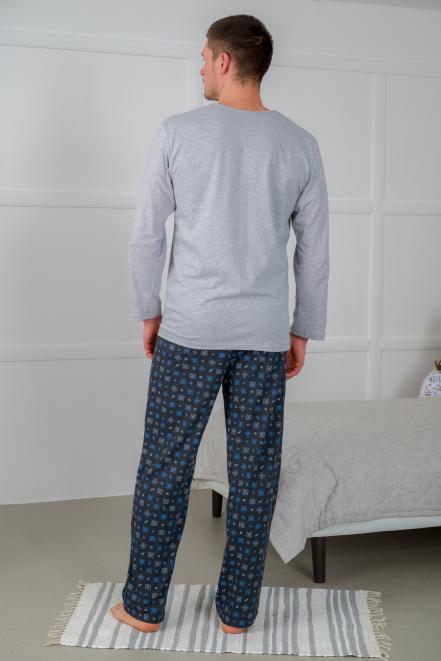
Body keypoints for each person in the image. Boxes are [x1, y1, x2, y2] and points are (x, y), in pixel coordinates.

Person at [111, 13, 329, 636]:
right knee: (255, 474)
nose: (200, 66)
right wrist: (301, 329)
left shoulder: (178, 133)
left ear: (226, 62)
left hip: (190, 330)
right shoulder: (300, 144)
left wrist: (149, 311)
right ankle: (237, 612)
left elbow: (147, 235)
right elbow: (314, 251)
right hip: (262, 335)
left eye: (205, 57)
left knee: (165, 467)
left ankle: (144, 607)